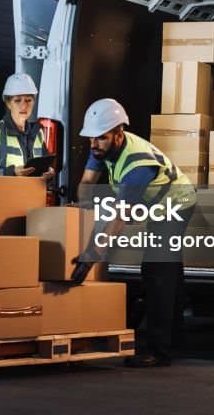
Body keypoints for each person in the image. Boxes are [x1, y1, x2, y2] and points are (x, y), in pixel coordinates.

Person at [71, 98, 196, 368]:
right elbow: (86, 183)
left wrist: (92, 254)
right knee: (169, 269)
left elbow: (120, 216)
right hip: (157, 205)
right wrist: (79, 213)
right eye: (91, 139)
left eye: (100, 139)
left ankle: (159, 352)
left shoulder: (137, 165)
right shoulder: (101, 146)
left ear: (119, 134)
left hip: (175, 204)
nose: (94, 146)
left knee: (156, 271)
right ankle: (177, 337)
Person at [0, 72, 55, 180]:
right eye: (17, 100)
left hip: (32, 196)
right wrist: (11, 172)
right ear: (8, 103)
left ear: (34, 102)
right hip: (5, 196)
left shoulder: (38, 134)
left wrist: (48, 174)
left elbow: (44, 172)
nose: (24, 105)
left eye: (28, 100)